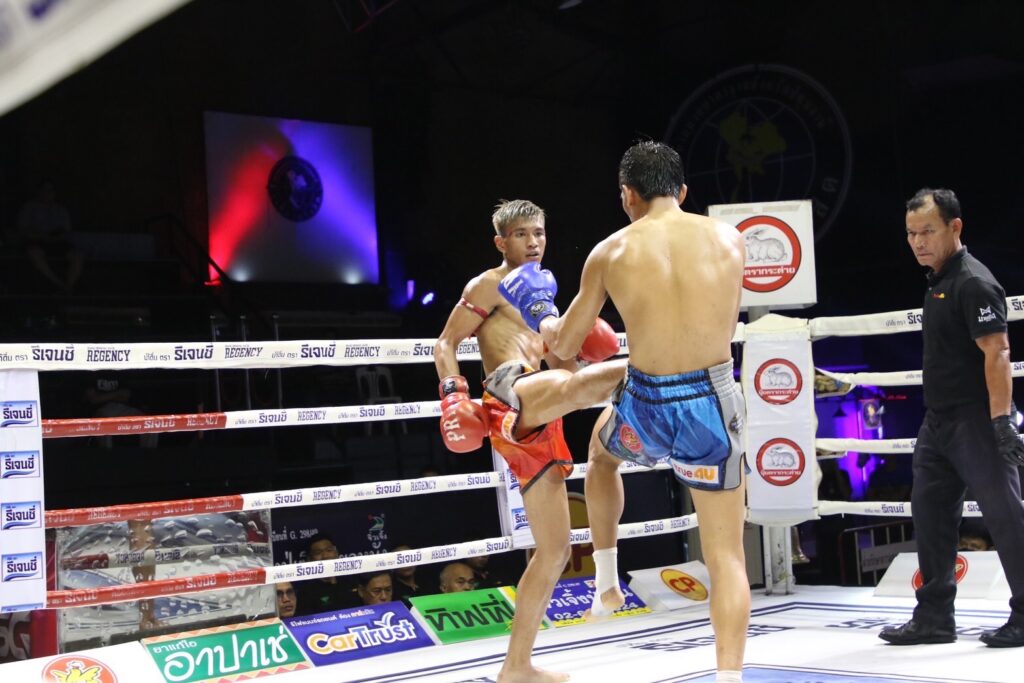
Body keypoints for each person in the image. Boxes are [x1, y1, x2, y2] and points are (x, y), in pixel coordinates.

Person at [501, 142, 748, 683]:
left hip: (647, 403)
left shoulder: (610, 251)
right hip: (711, 401)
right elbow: (723, 317)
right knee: (726, 555)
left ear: (627, 196)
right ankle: (729, 677)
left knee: (601, 451)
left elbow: (564, 346)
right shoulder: (730, 238)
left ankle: (607, 580)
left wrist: (540, 312)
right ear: (683, 191)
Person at [434, 198, 625, 683]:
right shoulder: (488, 284)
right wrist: (453, 396)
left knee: (555, 550)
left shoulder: (546, 291)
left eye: (538, 233)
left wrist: (582, 350)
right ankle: (662, 367)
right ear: (501, 242)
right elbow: (445, 343)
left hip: (538, 415)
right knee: (586, 385)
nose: (533, 242)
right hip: (508, 392)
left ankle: (516, 666)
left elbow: (559, 363)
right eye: (521, 234)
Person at [879, 188, 1024, 648]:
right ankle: (934, 617)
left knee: (1005, 516)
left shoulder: (973, 282)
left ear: (954, 227)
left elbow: (998, 351)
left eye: (927, 231)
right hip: (938, 421)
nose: (918, 242)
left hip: (977, 420)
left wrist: (1001, 421)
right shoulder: (939, 280)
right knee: (930, 515)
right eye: (911, 233)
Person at [15, 179, 84, 292]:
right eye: (44, 190)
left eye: (50, 190)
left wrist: (56, 237)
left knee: (78, 255)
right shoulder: (29, 208)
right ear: (39, 192)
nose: (47, 193)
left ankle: (69, 286)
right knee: (34, 253)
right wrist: (40, 236)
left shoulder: (61, 210)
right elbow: (23, 229)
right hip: (37, 241)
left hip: (57, 242)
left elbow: (66, 231)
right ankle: (56, 282)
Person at [293, 534, 355, 616]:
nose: (325, 556)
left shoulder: (350, 582)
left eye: (329, 550)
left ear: (336, 553)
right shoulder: (306, 591)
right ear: (310, 559)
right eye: (318, 553)